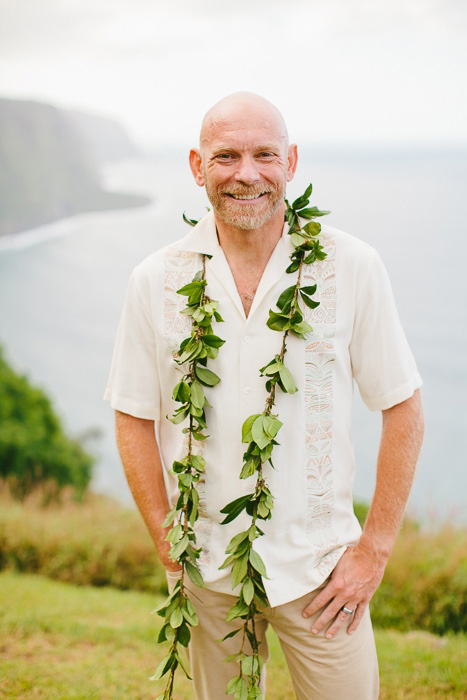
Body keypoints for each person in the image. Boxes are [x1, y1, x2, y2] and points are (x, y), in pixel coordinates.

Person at [104, 92, 424, 699]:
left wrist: (373, 553)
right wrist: (168, 546)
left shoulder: (351, 265)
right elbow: (131, 416)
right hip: (206, 573)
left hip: (324, 573)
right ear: (197, 168)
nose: (246, 173)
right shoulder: (155, 280)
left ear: (291, 162)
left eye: (264, 154)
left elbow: (403, 407)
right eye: (225, 156)